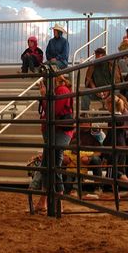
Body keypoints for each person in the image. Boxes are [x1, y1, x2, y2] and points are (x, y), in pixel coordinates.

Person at [34, 76, 76, 212]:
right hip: (54, 131)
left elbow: (53, 111)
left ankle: (58, 202)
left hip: (59, 131)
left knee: (53, 164)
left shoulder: (62, 90)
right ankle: (44, 201)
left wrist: (44, 96)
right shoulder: (58, 90)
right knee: (48, 164)